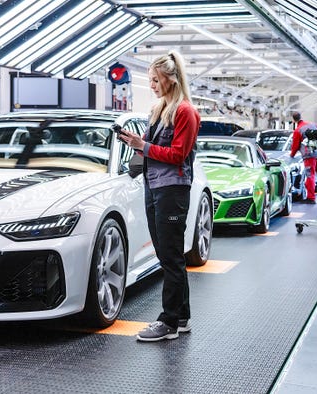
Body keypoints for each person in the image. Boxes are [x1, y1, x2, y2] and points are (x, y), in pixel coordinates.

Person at [118, 51, 200, 342]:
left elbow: (178, 155)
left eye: (155, 79)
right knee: (169, 255)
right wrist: (136, 143)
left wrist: (145, 146)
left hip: (172, 191)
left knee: (170, 256)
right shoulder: (159, 110)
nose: (151, 85)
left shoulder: (185, 111)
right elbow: (154, 151)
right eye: (150, 80)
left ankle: (168, 322)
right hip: (154, 187)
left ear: (171, 79)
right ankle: (182, 317)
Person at [290, 112, 317, 204]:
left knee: (310, 175)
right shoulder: (314, 124)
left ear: (293, 120)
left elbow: (295, 146)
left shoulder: (298, 130)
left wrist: (292, 155)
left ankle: (311, 198)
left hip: (308, 155)